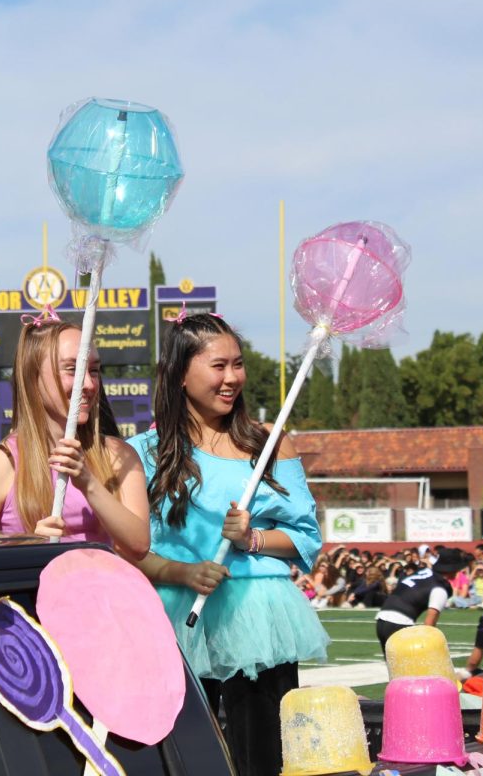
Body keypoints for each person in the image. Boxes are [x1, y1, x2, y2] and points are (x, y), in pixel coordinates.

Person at [128, 312, 328, 776]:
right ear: (180, 373)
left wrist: (252, 537)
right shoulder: (142, 451)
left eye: (238, 364)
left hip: (259, 618)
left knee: (262, 758)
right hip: (175, 617)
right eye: (218, 366)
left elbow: (306, 538)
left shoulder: (270, 443)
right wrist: (179, 571)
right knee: (180, 758)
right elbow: (134, 547)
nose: (232, 378)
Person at [0, 310, 149, 560]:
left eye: (94, 371)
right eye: (73, 370)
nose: (89, 385)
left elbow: (139, 545)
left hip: (106, 597)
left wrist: (89, 483)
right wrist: (28, 546)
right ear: (32, 376)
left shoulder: (118, 455)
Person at [375, 547, 464, 652]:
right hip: (400, 622)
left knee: (393, 665)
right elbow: (429, 624)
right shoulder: (440, 589)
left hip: (381, 618)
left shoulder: (425, 572)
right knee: (411, 665)